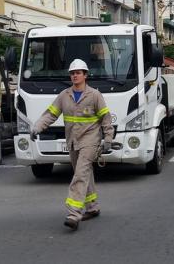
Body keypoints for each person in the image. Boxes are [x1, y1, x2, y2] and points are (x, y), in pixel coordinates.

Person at [30, 59, 114, 231]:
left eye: (78, 73)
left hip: (90, 140)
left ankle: (74, 213)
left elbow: (106, 119)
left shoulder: (94, 95)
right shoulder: (64, 95)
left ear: (85, 75)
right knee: (83, 173)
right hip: (73, 141)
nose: (74, 75)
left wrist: (108, 139)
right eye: (72, 73)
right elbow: (50, 114)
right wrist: (37, 127)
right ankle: (92, 207)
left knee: (80, 174)